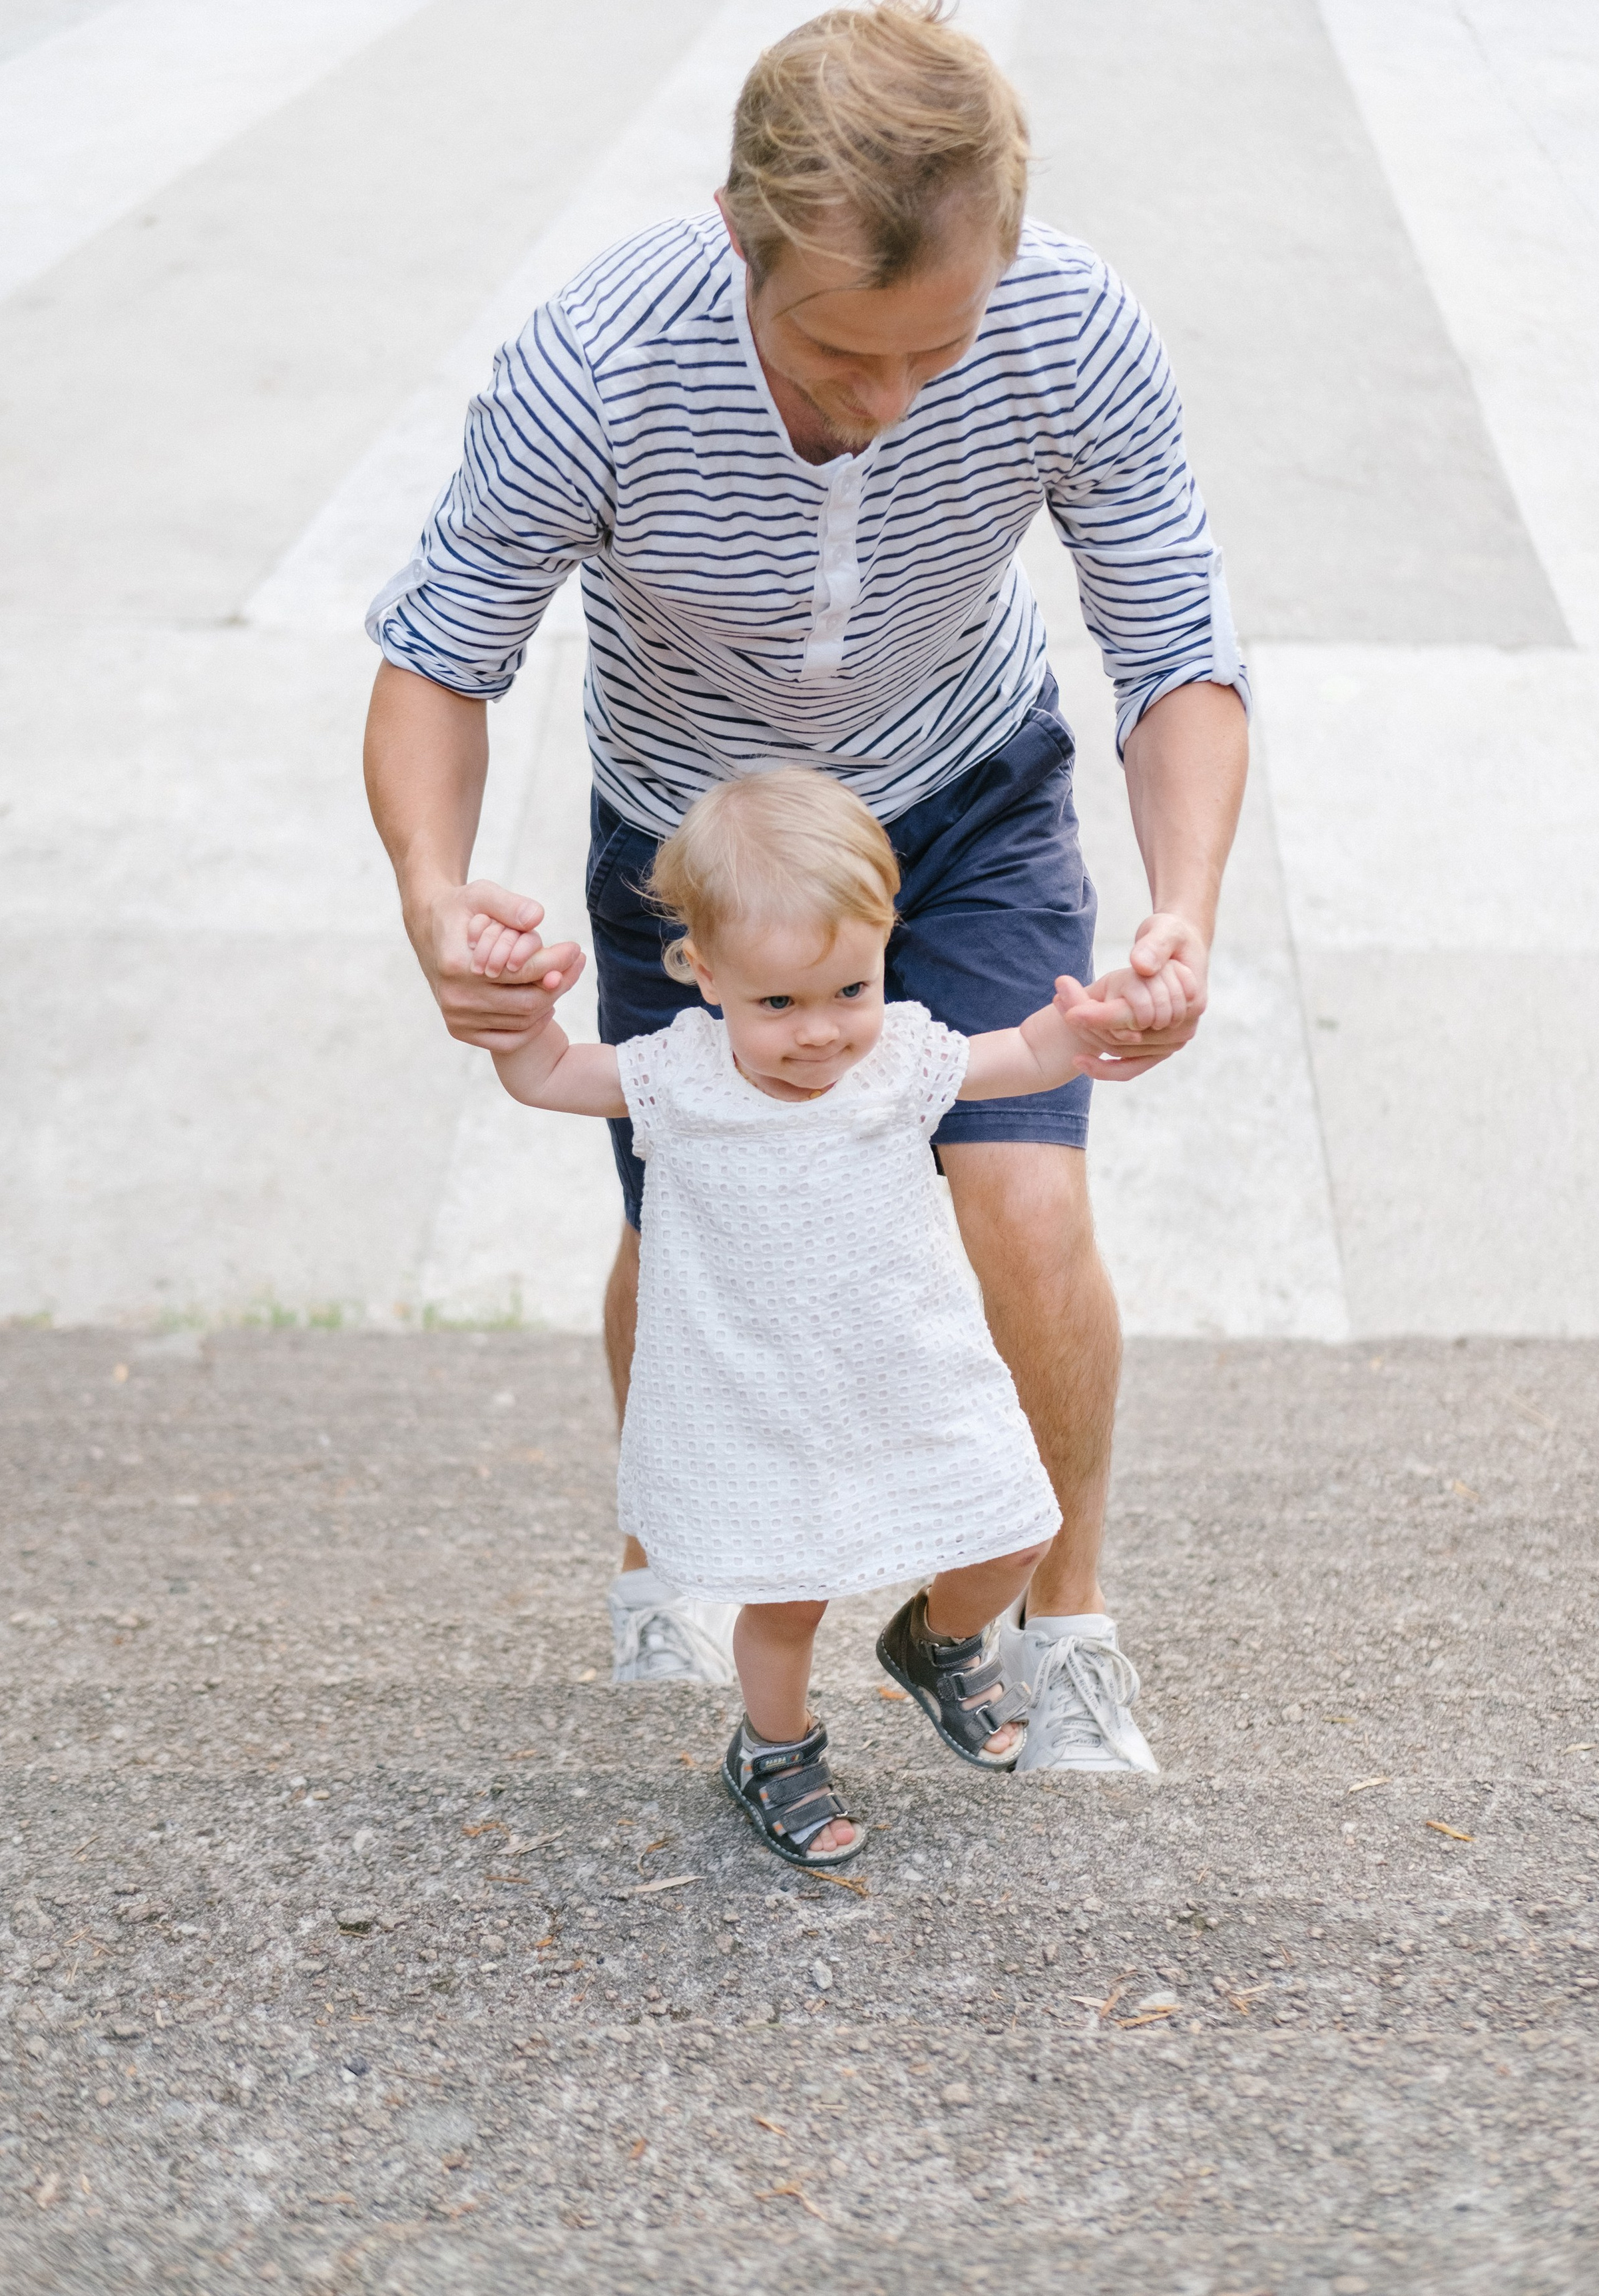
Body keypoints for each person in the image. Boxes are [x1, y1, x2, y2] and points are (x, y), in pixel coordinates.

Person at [362, 0, 1250, 1774]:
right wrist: (434, 890)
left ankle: (1053, 1623)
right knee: (694, 1218)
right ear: (741, 236)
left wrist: (1185, 907)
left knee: (1027, 1206)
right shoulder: (599, 363)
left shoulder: (1072, 326)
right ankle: (666, 1551)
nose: (889, 401)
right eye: (842, 355)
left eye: (937, 352)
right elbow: (444, 652)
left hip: (967, 793)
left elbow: (1172, 643)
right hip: (693, 845)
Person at [480, 766, 1176, 1862]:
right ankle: (775, 1745)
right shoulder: (680, 1075)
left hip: (906, 1369)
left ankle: (939, 1644)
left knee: (1020, 1528)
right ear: (703, 975)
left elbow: (1027, 1056)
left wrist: (1091, 1022)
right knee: (788, 1600)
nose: (820, 1033)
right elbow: (549, 1075)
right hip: (762, 1396)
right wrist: (517, 1013)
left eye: (848, 990)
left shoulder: (896, 1056)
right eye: (779, 1004)